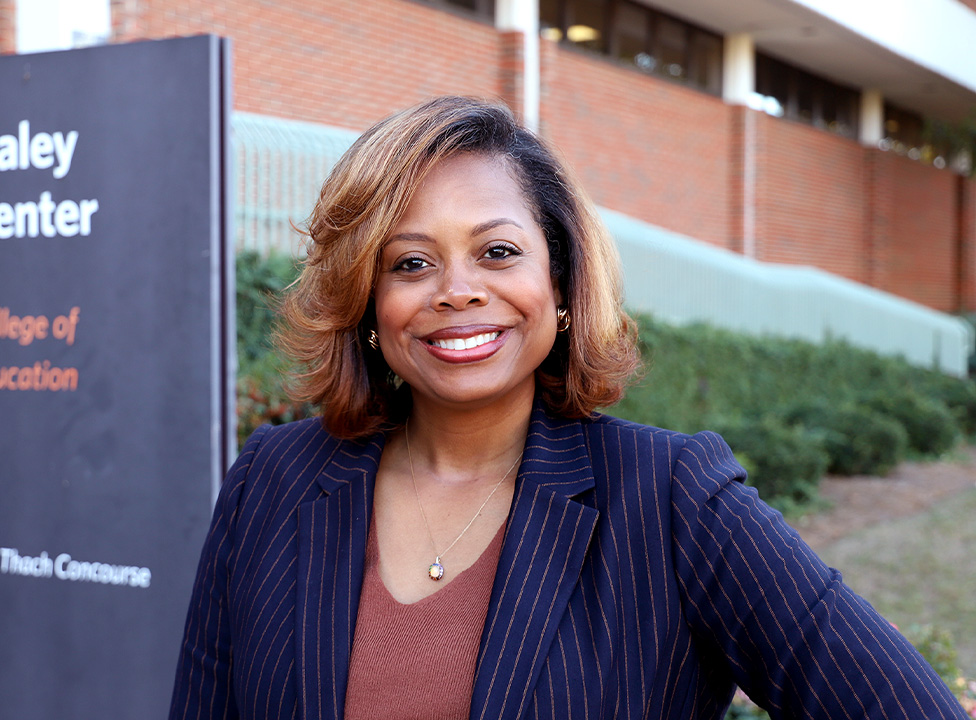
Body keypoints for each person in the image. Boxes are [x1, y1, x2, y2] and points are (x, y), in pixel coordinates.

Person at [169, 96, 966, 720]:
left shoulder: (672, 498)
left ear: (561, 287)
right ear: (369, 305)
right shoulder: (272, 480)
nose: (457, 289)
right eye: (410, 262)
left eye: (498, 252)